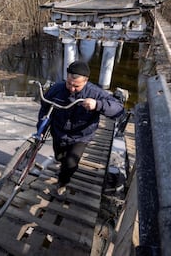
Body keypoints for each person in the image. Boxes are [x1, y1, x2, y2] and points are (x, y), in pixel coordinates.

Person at [37, 61, 125, 200]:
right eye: (69, 84)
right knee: (60, 157)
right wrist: (41, 128)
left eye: (76, 86)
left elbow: (118, 109)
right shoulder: (57, 89)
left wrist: (98, 105)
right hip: (59, 131)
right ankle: (61, 164)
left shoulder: (95, 92)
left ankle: (62, 184)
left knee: (70, 164)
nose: (71, 88)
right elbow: (45, 107)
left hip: (81, 136)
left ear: (86, 81)